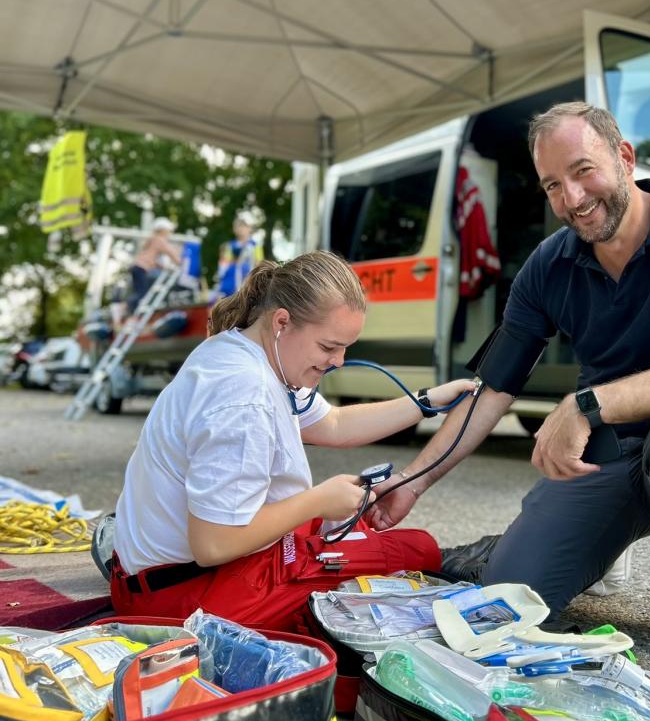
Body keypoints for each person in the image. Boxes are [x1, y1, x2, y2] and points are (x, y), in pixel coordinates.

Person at [367, 102, 650, 667]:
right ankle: (601, 540)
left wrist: (587, 404)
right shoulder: (547, 266)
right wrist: (412, 482)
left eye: (584, 171)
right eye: (553, 185)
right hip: (610, 456)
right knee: (507, 597)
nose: (573, 199)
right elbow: (491, 392)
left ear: (624, 157)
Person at [110, 251, 473, 631]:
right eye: (329, 347)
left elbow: (333, 423)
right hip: (179, 601)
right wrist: (319, 499)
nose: (338, 362)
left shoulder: (240, 350)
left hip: (153, 578)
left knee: (344, 527)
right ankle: (458, 563)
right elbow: (213, 544)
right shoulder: (245, 395)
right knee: (410, 550)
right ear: (282, 321)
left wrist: (426, 402)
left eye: (345, 348)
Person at [128, 218, 182, 312]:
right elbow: (170, 252)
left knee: (139, 292)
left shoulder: (152, 239)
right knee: (142, 293)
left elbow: (151, 259)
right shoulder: (159, 240)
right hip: (141, 268)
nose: (169, 233)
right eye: (168, 231)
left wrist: (162, 266)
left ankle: (127, 310)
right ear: (163, 230)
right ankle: (126, 308)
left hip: (137, 267)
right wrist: (182, 263)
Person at [213, 212, 262, 299]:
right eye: (239, 226)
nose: (241, 229)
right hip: (231, 288)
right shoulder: (229, 246)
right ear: (234, 229)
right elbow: (223, 267)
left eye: (244, 226)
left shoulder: (255, 246)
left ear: (249, 228)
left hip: (249, 285)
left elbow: (259, 264)